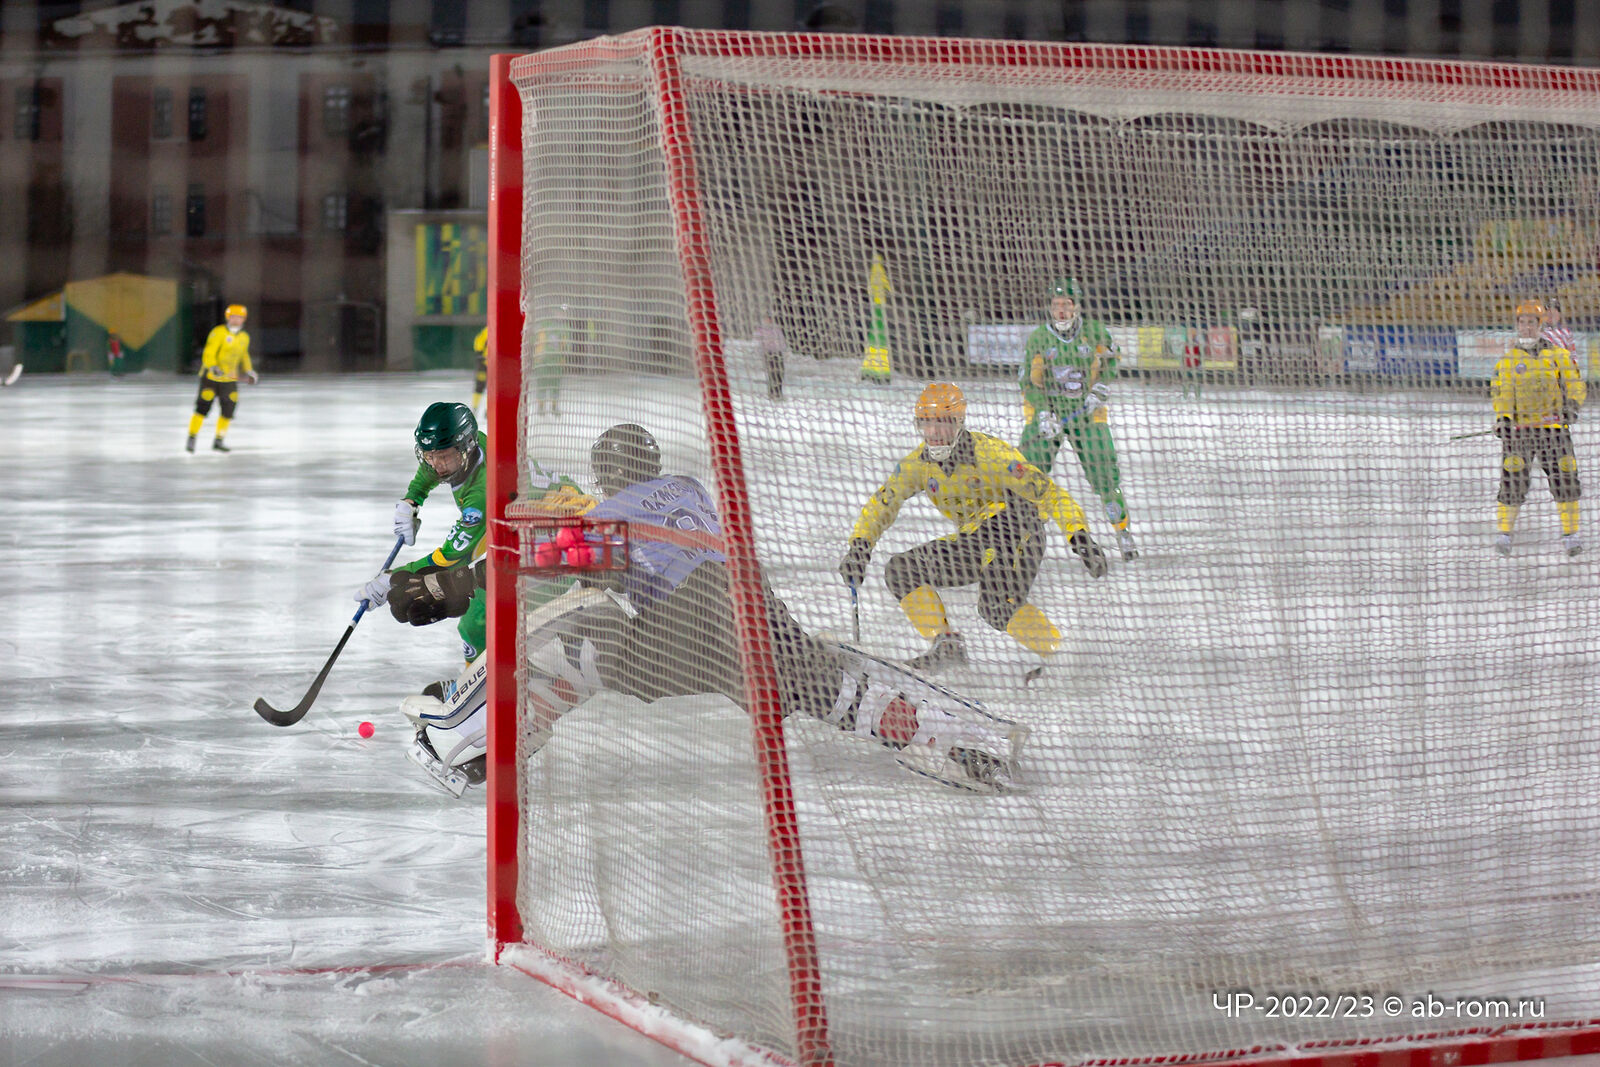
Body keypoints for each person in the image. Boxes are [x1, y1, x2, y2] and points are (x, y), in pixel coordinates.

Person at [398, 423, 1026, 797]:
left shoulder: (612, 510)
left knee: (583, 630)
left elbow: (550, 557)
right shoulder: (687, 488)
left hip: (688, 625)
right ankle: (958, 741)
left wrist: (450, 585)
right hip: (758, 605)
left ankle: (474, 738)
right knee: (833, 695)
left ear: (607, 475)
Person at [841, 382, 1108, 675]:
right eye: (926, 424)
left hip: (1016, 530)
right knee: (901, 570)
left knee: (996, 605)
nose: (935, 433)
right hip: (973, 539)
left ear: (959, 422)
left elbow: (1049, 494)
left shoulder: (993, 455)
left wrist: (1079, 535)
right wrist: (860, 546)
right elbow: (883, 503)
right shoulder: (917, 465)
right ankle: (946, 645)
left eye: (943, 423)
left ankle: (1060, 659)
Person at [373, 402, 594, 669]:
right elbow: (430, 470)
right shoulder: (474, 444)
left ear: (464, 447)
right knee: (478, 600)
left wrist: (392, 579)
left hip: (563, 548)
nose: (437, 465)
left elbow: (451, 558)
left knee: (477, 620)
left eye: (443, 457)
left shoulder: (482, 492)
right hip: (544, 531)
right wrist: (412, 500)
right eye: (430, 456)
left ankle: (500, 685)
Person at [1016, 278, 1137, 560]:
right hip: (1050, 414)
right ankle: (1025, 537)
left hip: (1087, 414)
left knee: (1104, 472)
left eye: (1066, 304)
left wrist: (1101, 386)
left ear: (1076, 307)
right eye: (1056, 304)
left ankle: (1123, 533)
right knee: (1028, 473)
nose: (1060, 310)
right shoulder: (1039, 338)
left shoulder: (1095, 332)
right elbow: (1028, 382)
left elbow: (1111, 360)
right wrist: (1043, 412)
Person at [1492, 300, 1586, 557]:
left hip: (1553, 429)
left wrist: (1571, 406)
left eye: (1532, 322)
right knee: (1513, 479)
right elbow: (1502, 392)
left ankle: (1571, 535)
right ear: (1517, 325)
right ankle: (1504, 533)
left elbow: (1575, 383)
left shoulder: (1558, 356)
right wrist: (1504, 418)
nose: (1527, 327)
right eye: (1522, 322)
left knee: (1565, 476)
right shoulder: (1508, 360)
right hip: (1520, 432)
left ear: (1540, 325)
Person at [186, 303, 256, 453]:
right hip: (211, 377)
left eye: (239, 317)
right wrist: (213, 366)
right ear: (227, 317)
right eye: (233, 317)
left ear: (244, 319)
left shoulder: (244, 337)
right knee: (202, 407)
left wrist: (249, 371)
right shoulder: (218, 332)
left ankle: (219, 440)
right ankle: (192, 437)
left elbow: (244, 356)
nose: (236, 320)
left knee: (228, 409)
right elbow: (209, 352)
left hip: (229, 379)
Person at [531, 307, 570, 417]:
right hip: (543, 361)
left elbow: (565, 345)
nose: (561, 315)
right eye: (559, 312)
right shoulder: (545, 326)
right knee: (543, 384)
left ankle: (553, 407)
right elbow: (534, 341)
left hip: (554, 361)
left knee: (554, 385)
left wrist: (563, 357)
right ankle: (542, 407)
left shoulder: (563, 328)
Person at [754, 316, 789, 399]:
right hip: (768, 353)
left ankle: (778, 392)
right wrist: (760, 351)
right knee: (772, 373)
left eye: (770, 318)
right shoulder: (760, 329)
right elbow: (757, 341)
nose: (769, 320)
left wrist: (785, 351)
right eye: (767, 318)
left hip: (778, 353)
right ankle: (772, 393)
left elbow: (781, 340)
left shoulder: (776, 328)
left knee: (780, 372)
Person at [1180, 326, 1203, 399]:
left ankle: (1197, 396)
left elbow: (1199, 355)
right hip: (1188, 366)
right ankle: (1186, 396)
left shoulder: (1196, 344)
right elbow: (1183, 355)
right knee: (1187, 382)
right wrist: (1183, 364)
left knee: (1196, 382)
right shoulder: (1186, 344)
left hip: (1195, 366)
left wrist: (1199, 364)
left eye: (1192, 334)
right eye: (1189, 334)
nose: (1190, 336)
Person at [470, 326, 488, 415]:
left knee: (492, 388)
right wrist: (480, 354)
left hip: (492, 364)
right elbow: (479, 341)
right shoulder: (488, 330)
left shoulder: (488, 330)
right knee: (480, 386)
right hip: (484, 364)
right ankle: (475, 408)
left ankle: (488, 408)